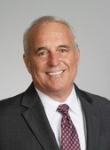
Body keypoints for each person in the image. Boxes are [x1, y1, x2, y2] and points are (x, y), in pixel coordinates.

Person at [0, 16, 110, 150]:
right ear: (27, 62)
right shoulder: (3, 118)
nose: (54, 62)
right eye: (42, 53)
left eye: (62, 50)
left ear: (77, 55)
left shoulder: (106, 110)